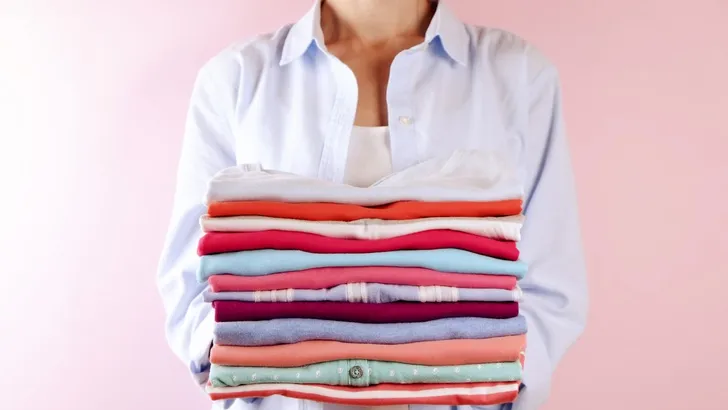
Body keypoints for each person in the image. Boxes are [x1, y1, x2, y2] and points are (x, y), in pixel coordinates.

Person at [156, 0, 588, 409]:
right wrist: (254, 374)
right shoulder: (235, 79)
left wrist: (483, 383)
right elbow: (190, 282)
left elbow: (550, 287)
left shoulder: (518, 76)